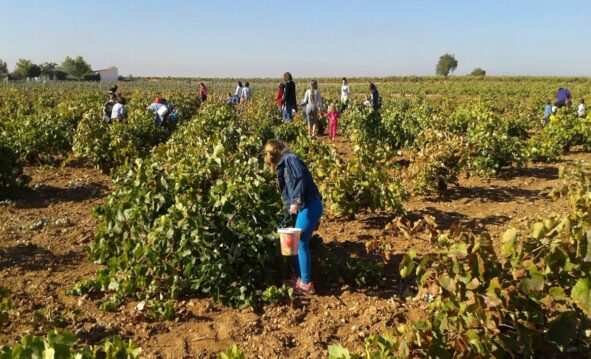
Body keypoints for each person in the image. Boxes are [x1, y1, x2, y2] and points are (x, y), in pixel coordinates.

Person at [264, 139, 323, 294]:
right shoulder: (285, 161)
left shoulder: (290, 159)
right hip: (307, 206)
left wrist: (295, 201)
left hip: (309, 206)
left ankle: (306, 284)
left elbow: (299, 179)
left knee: (301, 242)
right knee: (297, 242)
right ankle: (299, 277)